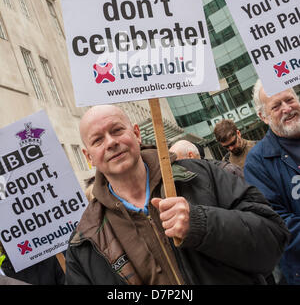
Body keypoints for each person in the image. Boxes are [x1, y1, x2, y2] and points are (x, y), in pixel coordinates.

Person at [65, 104, 289, 285]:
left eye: (116, 130)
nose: (111, 142)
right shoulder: (86, 241)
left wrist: (201, 223)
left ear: (136, 134)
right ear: (88, 157)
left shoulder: (205, 175)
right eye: (98, 140)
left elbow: (273, 240)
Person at [244, 80, 300, 285]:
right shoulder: (257, 162)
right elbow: (277, 222)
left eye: (289, 99)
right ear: (263, 116)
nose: (287, 108)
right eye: (276, 106)